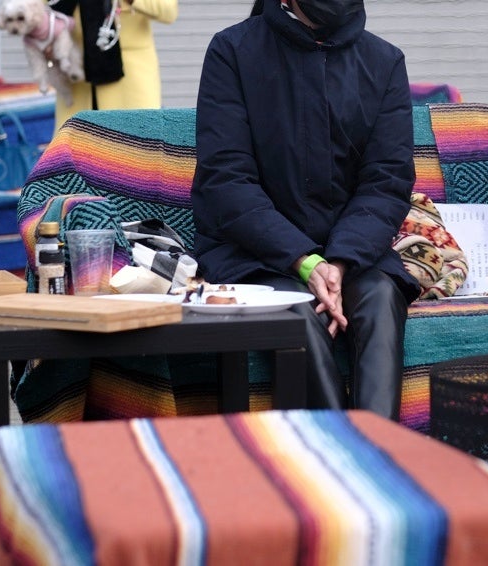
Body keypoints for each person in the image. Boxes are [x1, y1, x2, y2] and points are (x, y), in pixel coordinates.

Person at [190, 0, 420, 421]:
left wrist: (339, 263)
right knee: (297, 314)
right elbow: (226, 179)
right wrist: (305, 261)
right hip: (255, 254)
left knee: (381, 299)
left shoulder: (383, 61)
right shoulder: (233, 51)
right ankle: (337, 449)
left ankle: (376, 446)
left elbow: (387, 181)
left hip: (354, 254)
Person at [49, 0, 178, 132]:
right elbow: (40, 11)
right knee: (71, 143)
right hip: (75, 76)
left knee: (135, 141)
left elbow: (168, 11)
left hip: (129, 84)